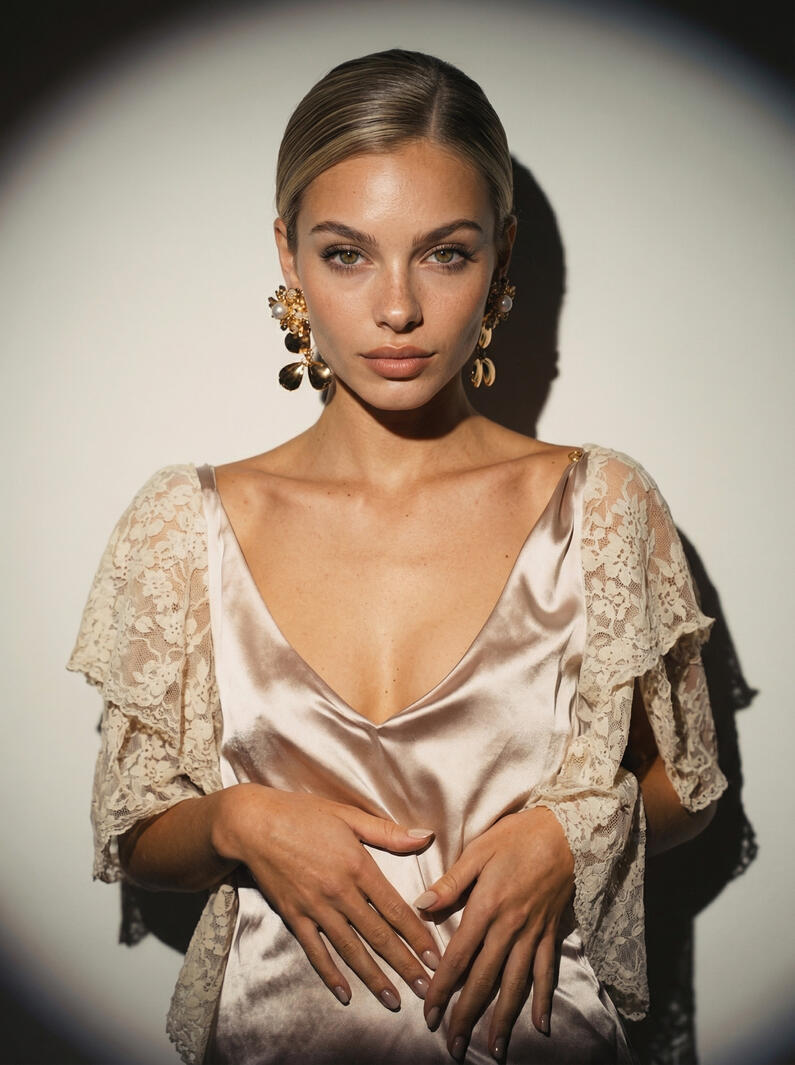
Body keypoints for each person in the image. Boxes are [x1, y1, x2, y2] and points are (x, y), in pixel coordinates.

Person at [68, 49, 728, 1065]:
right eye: (347, 254)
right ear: (288, 256)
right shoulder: (182, 524)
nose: (398, 309)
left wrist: (568, 835)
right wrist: (240, 822)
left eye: (444, 253)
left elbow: (688, 783)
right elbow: (134, 828)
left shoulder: (599, 505)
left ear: (499, 257)